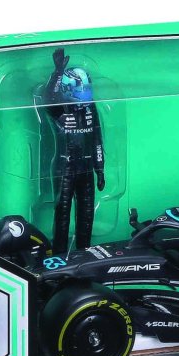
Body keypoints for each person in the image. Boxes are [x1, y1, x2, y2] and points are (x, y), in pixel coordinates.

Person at [35, 48, 105, 254]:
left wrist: (100, 170)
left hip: (86, 168)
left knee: (87, 215)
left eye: (86, 88)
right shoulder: (58, 109)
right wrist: (57, 72)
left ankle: (86, 254)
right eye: (80, 88)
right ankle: (59, 256)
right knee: (62, 215)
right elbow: (49, 97)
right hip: (64, 168)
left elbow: (97, 140)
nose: (84, 92)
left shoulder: (91, 108)